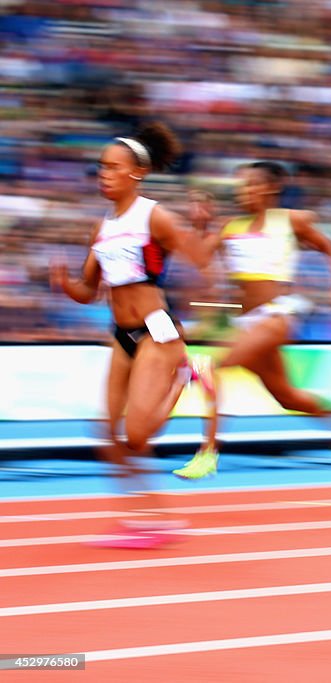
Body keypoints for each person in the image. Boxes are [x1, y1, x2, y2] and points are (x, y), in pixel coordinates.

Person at [49, 123, 214, 548]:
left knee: (137, 434)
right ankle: (146, 517)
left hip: (156, 332)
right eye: (100, 167)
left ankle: (184, 377)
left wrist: (199, 230)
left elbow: (198, 259)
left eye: (112, 167)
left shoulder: (153, 215)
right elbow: (90, 291)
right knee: (107, 435)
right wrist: (67, 283)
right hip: (120, 333)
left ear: (136, 173)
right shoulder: (101, 227)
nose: (104, 174)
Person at [172, 161, 331, 480]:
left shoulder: (290, 220)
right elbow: (198, 258)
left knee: (211, 368)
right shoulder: (230, 226)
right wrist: (200, 227)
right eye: (241, 186)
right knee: (285, 396)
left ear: (270, 189)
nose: (244, 191)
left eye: (251, 185)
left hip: (278, 314)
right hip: (245, 321)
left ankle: (208, 454)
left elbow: (330, 249)